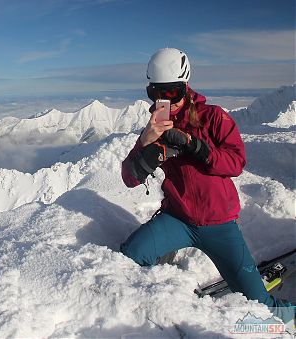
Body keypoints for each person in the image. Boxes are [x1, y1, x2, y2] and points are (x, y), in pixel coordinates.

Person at [119, 47, 293, 323]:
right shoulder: (157, 126)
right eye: (156, 93)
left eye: (172, 93)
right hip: (177, 219)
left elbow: (237, 162)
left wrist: (196, 147)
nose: (165, 100)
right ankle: (159, 309)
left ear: (185, 86)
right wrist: (145, 144)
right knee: (128, 258)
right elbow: (129, 179)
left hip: (219, 224)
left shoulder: (213, 117)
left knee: (259, 306)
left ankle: (288, 317)